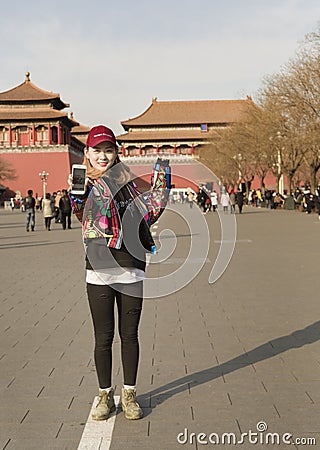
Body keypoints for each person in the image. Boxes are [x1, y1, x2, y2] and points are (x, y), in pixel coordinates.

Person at [68, 125, 170, 422]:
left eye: (108, 150)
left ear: (116, 152)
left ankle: (129, 393)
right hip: (98, 271)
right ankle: (103, 395)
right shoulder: (82, 186)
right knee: (103, 337)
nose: (102, 155)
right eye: (96, 150)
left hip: (130, 268)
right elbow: (80, 211)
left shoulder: (132, 186)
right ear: (86, 153)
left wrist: (162, 174)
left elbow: (151, 211)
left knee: (129, 335)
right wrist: (80, 191)